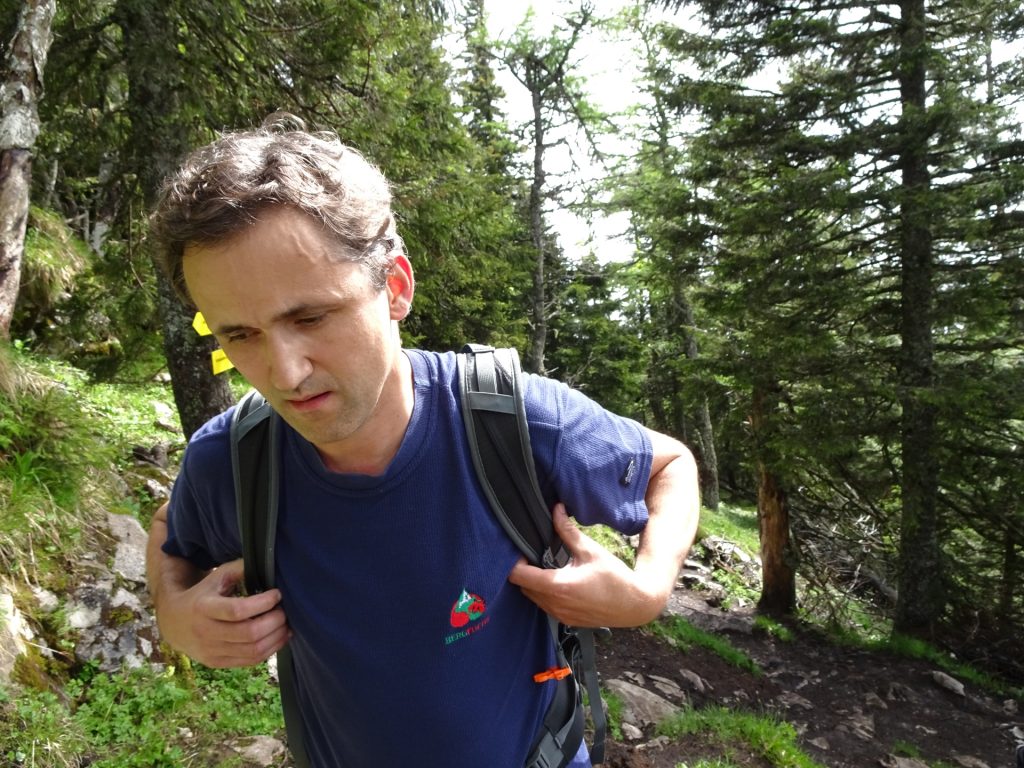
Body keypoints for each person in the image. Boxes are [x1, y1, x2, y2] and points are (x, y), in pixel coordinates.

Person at [145, 114, 701, 768]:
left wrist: (648, 589)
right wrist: (173, 613)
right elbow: (169, 529)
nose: (285, 372)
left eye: (311, 316)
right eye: (240, 335)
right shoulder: (234, 461)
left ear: (396, 287)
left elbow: (671, 465)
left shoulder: (509, 419)